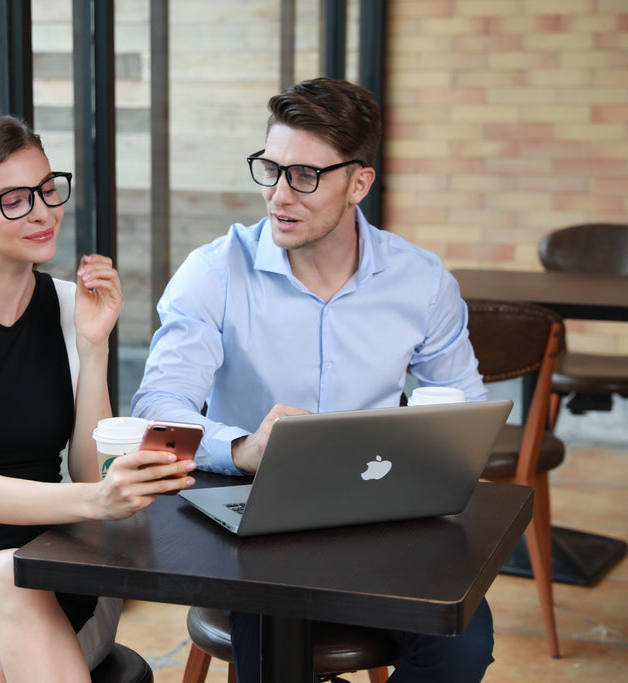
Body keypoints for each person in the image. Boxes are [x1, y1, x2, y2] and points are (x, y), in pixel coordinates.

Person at [131, 78, 493, 682]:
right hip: (252, 534)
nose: (279, 195)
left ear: (359, 183)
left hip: (382, 524)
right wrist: (242, 449)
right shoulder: (214, 273)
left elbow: (466, 412)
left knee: (461, 646)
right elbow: (158, 414)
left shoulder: (421, 281)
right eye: (270, 170)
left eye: (304, 176)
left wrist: (431, 446)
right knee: (275, 654)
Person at [0, 112, 197, 683]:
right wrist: (96, 501)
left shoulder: (72, 303)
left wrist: (93, 347)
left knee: (2, 658)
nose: (44, 211)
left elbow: (83, 465)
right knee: (10, 580)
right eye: (13, 199)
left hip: (64, 572)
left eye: (47, 189)